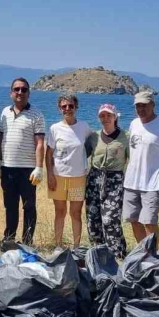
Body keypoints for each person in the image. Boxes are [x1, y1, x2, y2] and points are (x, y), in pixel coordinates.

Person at [123, 91, 159, 243]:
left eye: (144, 105)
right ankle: (142, 252)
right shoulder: (134, 123)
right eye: (138, 106)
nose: (141, 109)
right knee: (133, 219)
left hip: (152, 183)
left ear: (153, 105)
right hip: (131, 182)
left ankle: (152, 254)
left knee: (149, 222)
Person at [0, 78, 45, 246]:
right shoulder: (4, 112)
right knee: (10, 206)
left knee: (29, 206)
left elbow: (40, 143)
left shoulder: (36, 114)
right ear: (11, 92)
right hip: (8, 168)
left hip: (28, 170)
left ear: (28, 93)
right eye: (17, 89)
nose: (20, 92)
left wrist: (39, 167)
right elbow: (1, 137)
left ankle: (27, 241)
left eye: (24, 90)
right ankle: (9, 238)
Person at [46, 94, 91, 249]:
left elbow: (92, 145)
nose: (67, 109)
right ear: (60, 108)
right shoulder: (54, 128)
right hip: (58, 176)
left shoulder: (84, 127)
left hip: (78, 177)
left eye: (70, 106)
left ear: (76, 108)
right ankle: (58, 245)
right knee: (60, 212)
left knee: (76, 213)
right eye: (64, 106)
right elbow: (49, 153)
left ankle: (76, 247)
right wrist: (49, 175)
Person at [85, 103, 129, 258]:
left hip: (115, 180)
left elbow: (133, 159)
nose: (105, 118)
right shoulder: (93, 137)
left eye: (109, 115)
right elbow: (82, 157)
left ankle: (117, 253)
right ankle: (98, 251)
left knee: (110, 219)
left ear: (115, 116)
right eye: (102, 116)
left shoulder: (125, 137)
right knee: (93, 217)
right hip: (94, 179)